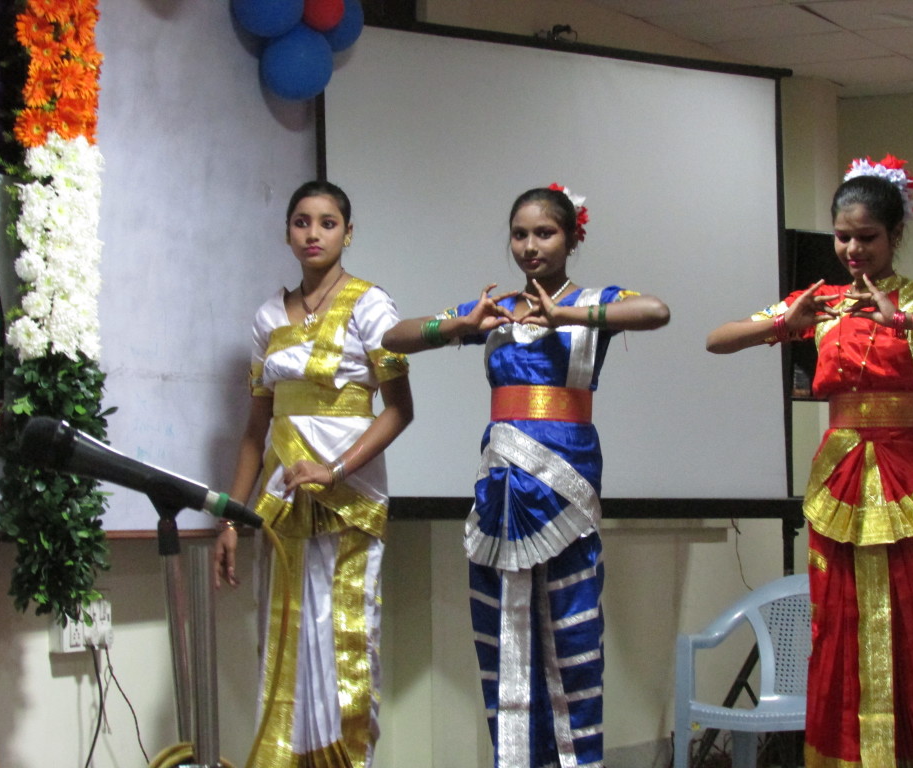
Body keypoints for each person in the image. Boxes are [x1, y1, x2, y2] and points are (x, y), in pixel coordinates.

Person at [706, 155, 913, 768]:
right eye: (843, 237)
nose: (853, 249)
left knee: (909, 629)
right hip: (838, 477)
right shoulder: (823, 301)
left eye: (867, 237)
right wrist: (785, 323)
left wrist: (906, 318)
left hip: (908, 473)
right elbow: (718, 337)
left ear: (895, 235)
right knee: (836, 627)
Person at [383, 184, 670, 768]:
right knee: (504, 646)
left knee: (573, 643)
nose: (531, 245)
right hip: (502, 496)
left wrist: (567, 314)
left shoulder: (595, 302)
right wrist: (461, 324)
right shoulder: (497, 311)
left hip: (565, 493)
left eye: (545, 233)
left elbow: (656, 311)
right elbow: (395, 338)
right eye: (520, 234)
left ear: (571, 237)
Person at [213, 180, 413, 768]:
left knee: (346, 649)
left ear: (348, 233)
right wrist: (231, 515)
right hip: (280, 507)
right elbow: (255, 430)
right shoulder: (266, 317)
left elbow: (401, 409)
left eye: (328, 223)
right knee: (284, 652)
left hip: (350, 501)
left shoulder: (374, 306)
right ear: (287, 233)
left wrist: (335, 469)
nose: (313, 233)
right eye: (302, 221)